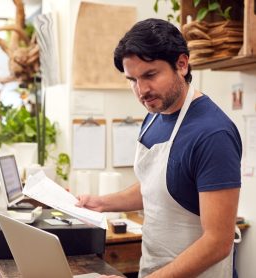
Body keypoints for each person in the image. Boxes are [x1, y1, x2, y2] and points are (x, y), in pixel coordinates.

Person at [77, 18, 242, 278]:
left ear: (182, 64)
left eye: (150, 75)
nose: (141, 90)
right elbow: (156, 187)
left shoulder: (213, 134)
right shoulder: (154, 115)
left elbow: (217, 242)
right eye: (132, 80)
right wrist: (100, 202)